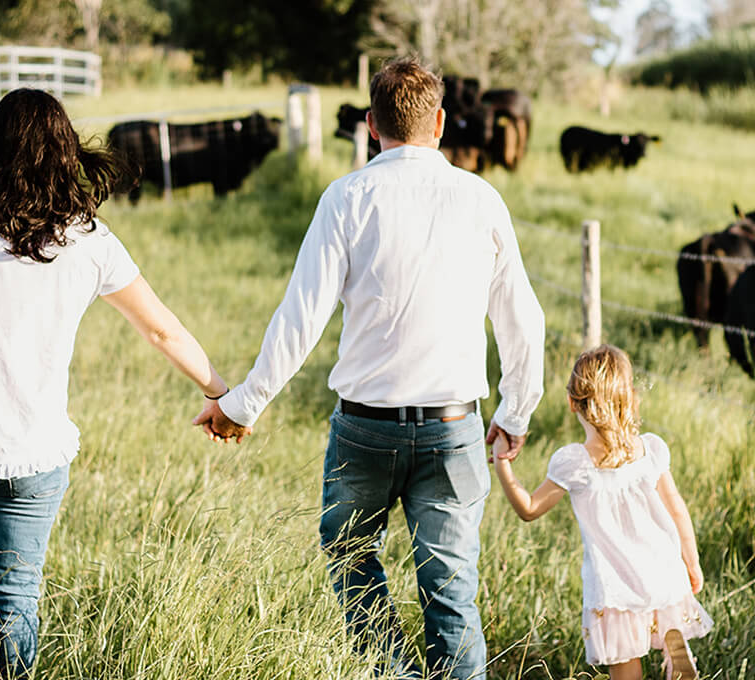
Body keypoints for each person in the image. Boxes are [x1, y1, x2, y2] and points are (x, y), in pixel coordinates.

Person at [194, 56, 545, 679]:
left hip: (365, 430)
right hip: (453, 426)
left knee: (352, 565)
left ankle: (395, 672)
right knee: (452, 592)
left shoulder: (346, 197)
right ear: (439, 122)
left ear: (371, 126)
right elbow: (523, 319)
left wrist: (242, 404)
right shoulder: (481, 199)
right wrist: (515, 412)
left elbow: (300, 318)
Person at [0, 88, 232, 679]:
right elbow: (162, 331)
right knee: (18, 598)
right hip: (32, 454)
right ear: (66, 155)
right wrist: (220, 394)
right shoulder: (91, 241)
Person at [492, 345, 711, 680]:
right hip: (663, 572)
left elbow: (529, 508)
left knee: (625, 662)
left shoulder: (574, 463)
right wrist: (691, 562)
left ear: (571, 403)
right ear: (631, 397)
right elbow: (677, 509)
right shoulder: (649, 450)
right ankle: (673, 656)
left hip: (614, 588)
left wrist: (503, 465)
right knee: (669, 625)